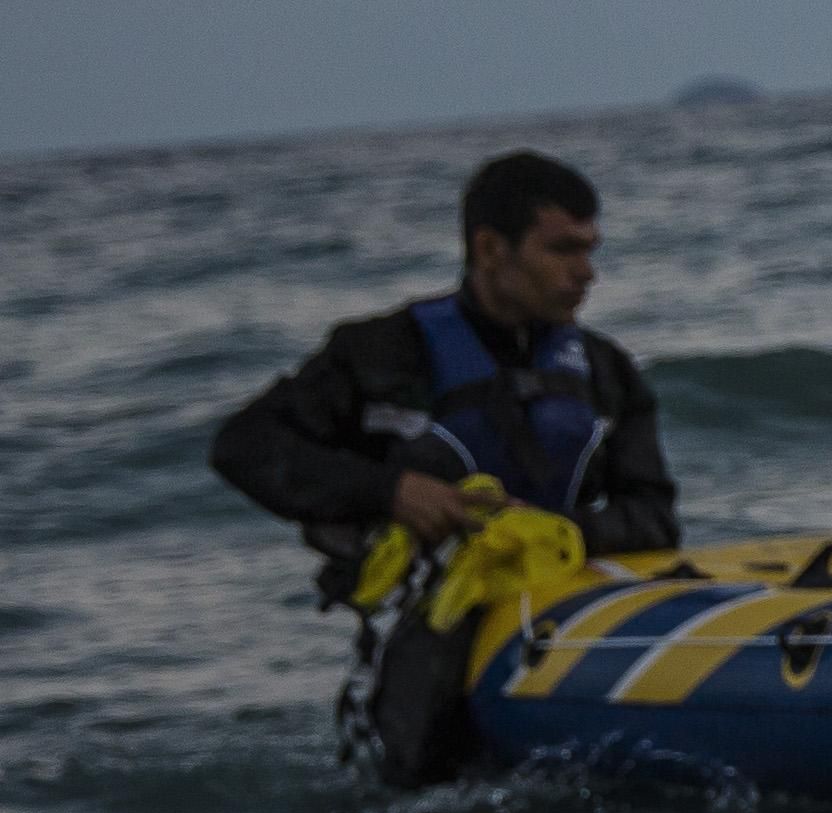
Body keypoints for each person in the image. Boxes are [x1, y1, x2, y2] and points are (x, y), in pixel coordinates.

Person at [211, 148, 682, 780]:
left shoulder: (606, 373)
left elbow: (654, 517)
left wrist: (548, 532)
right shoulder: (380, 355)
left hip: (564, 633)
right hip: (428, 643)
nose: (586, 272)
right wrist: (392, 490)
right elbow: (244, 447)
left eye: (590, 250)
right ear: (490, 249)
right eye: (563, 251)